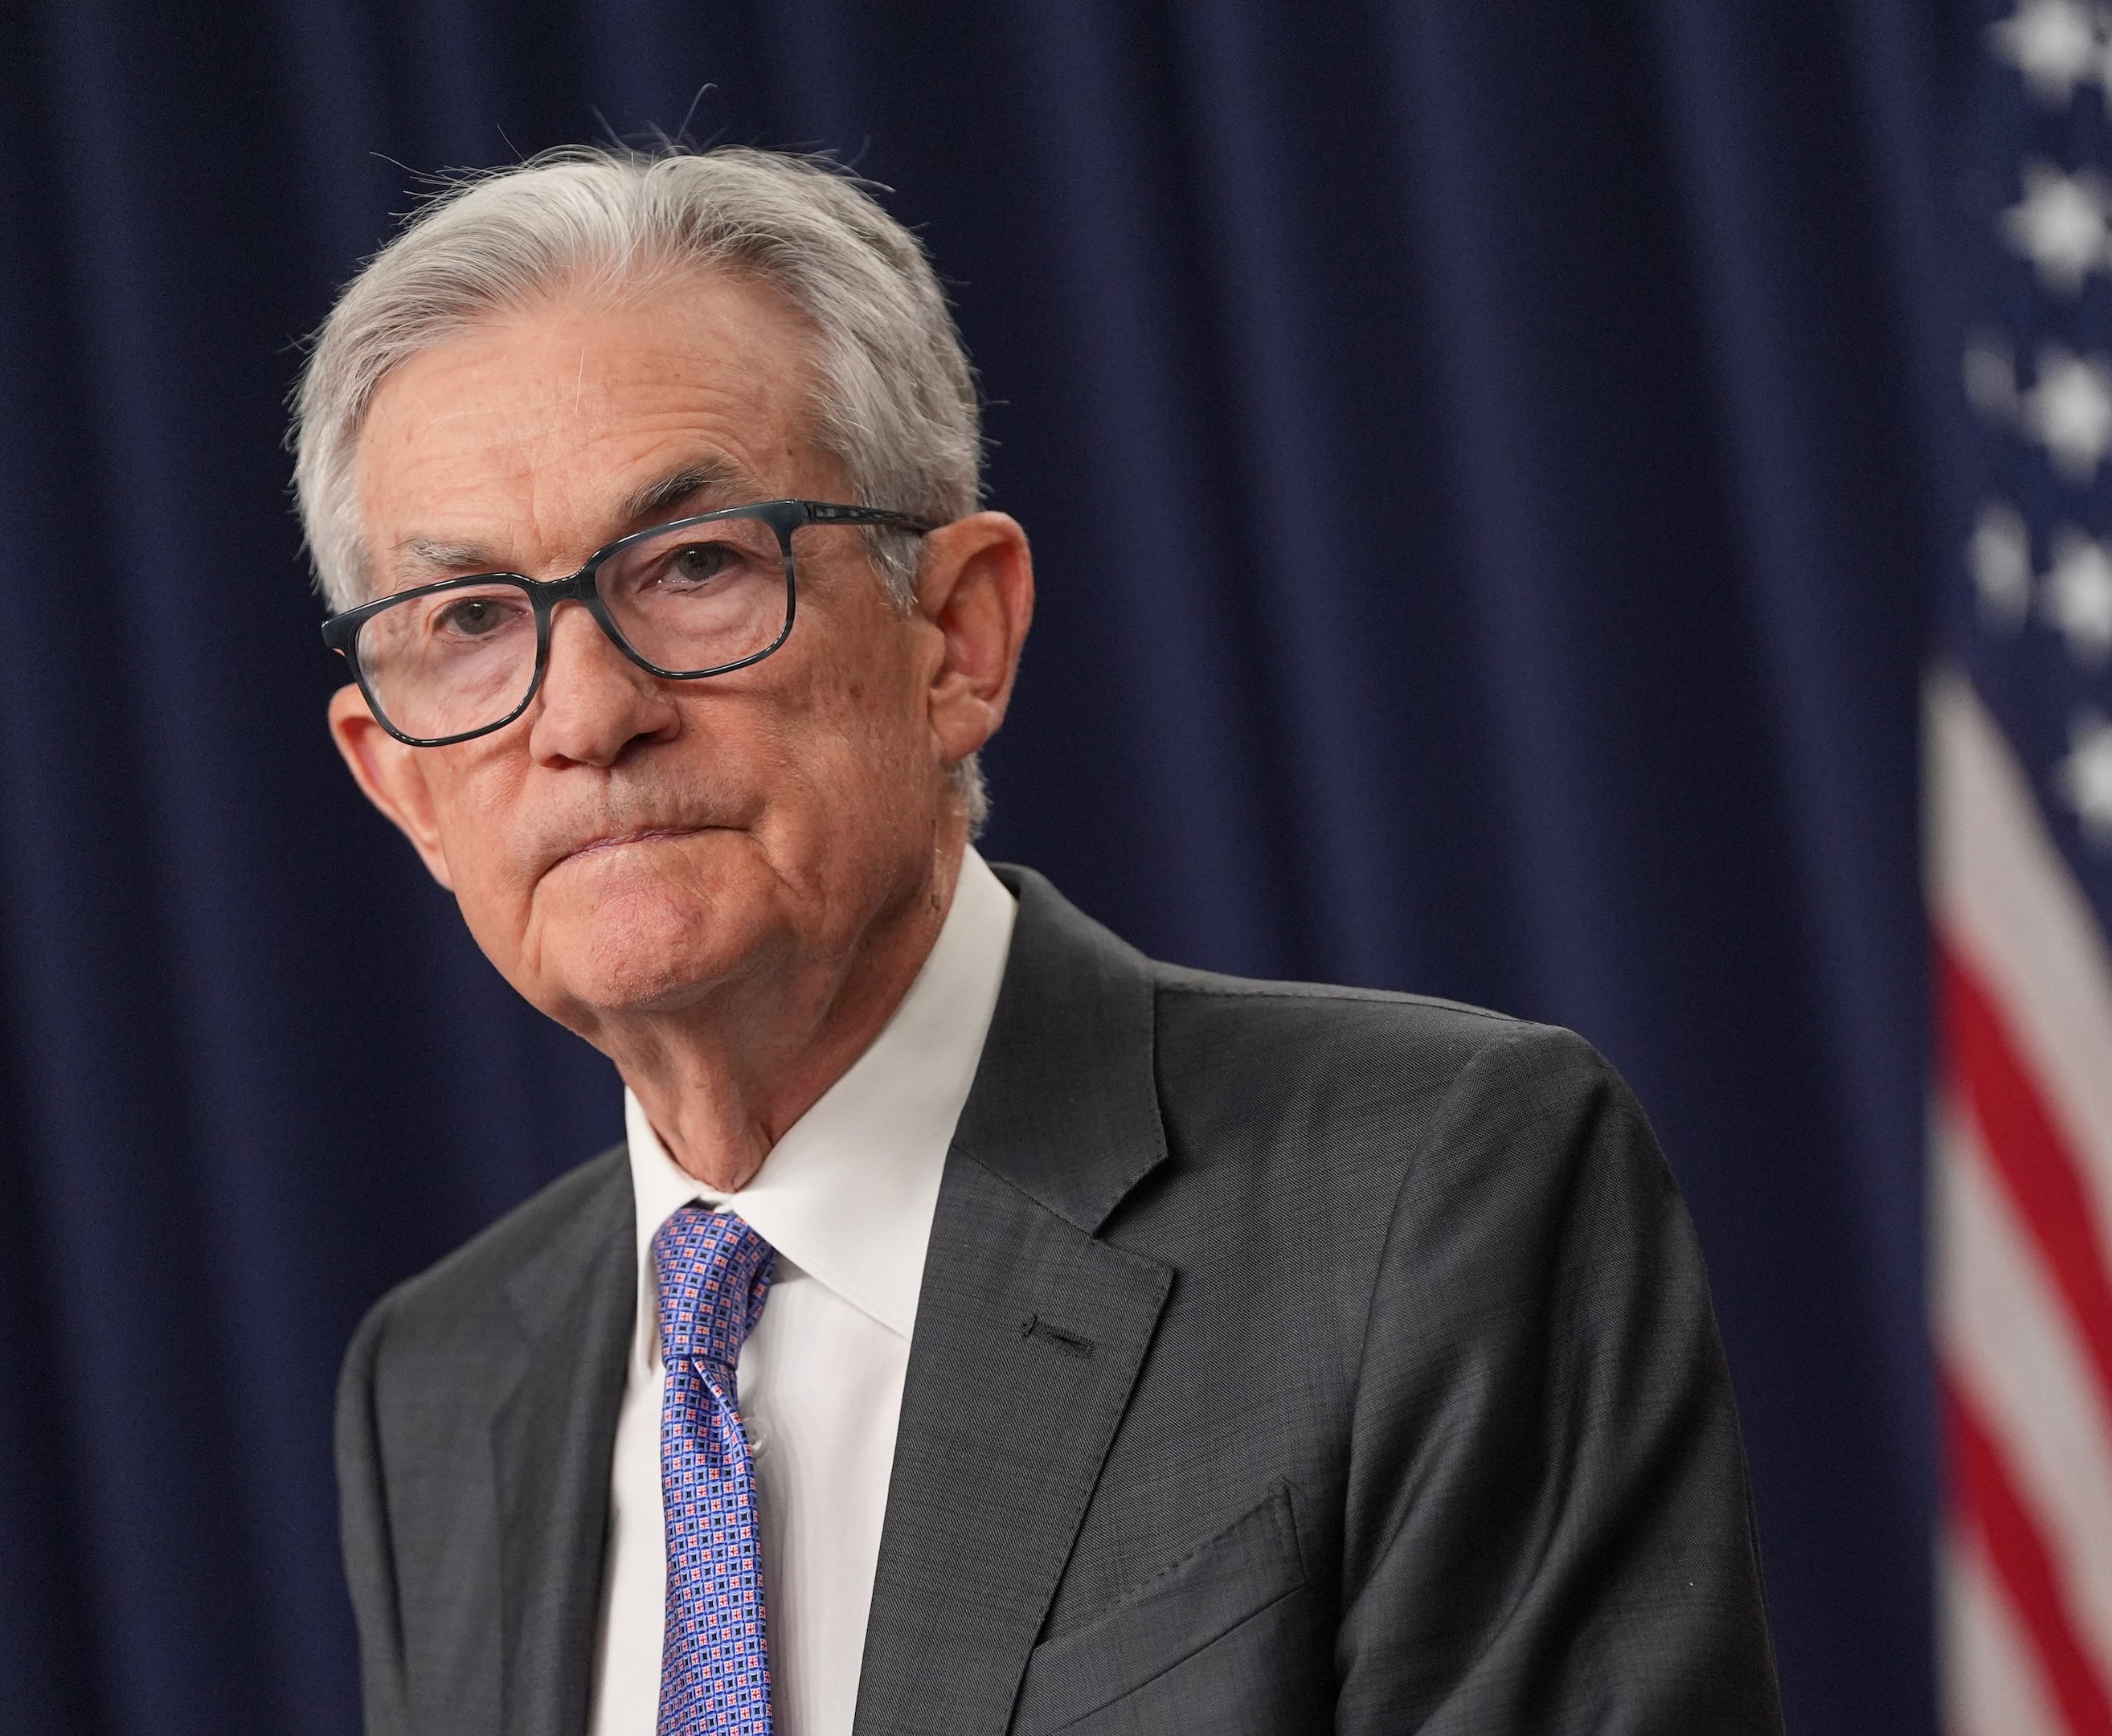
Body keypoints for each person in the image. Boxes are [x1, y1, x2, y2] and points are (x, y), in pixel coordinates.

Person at [305, 143, 1783, 1736]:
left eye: (696, 566)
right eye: (471, 621)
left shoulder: (1430, 1193)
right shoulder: (440, 1386)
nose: (587, 714)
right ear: (401, 786)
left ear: (958, 635)